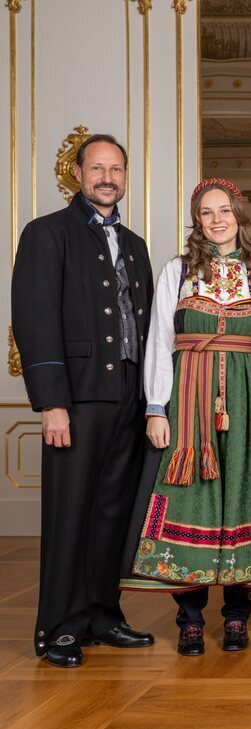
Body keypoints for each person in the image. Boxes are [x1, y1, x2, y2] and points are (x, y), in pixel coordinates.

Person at [120, 178, 251, 656]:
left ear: (240, 215)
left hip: (249, 402)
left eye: (224, 211)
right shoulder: (177, 271)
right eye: (206, 213)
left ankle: (237, 616)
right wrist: (157, 408)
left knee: (244, 495)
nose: (217, 220)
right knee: (187, 498)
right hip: (188, 400)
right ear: (197, 221)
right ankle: (190, 617)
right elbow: (158, 341)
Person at [11, 134, 155, 667]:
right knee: (70, 511)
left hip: (128, 397)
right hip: (74, 400)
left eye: (115, 168)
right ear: (77, 173)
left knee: (115, 511)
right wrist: (52, 403)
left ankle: (102, 614)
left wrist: (153, 401)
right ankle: (60, 626)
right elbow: (34, 319)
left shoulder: (135, 244)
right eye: (97, 168)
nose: (107, 177)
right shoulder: (47, 234)